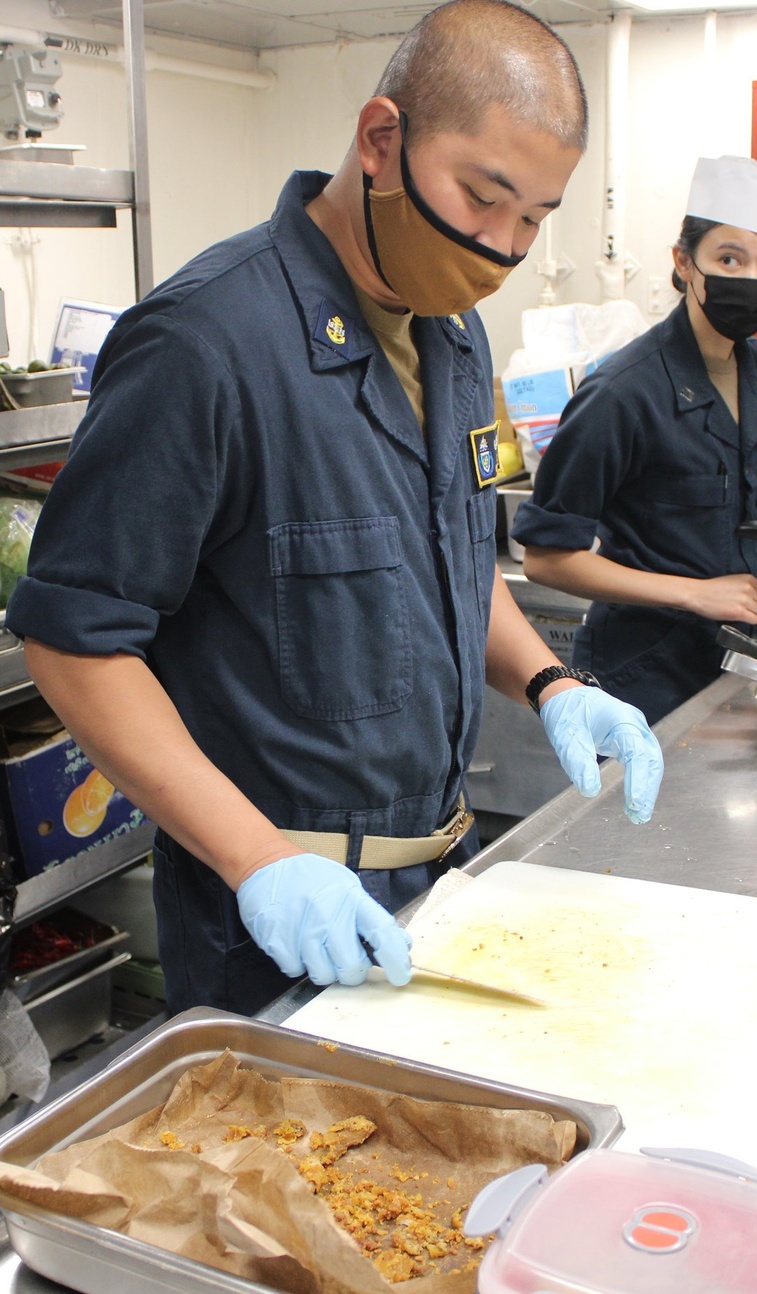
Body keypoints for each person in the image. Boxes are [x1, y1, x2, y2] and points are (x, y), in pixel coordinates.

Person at [5, 0, 663, 1018]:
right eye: (484, 197)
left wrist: (547, 681)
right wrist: (261, 860)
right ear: (381, 142)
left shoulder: (451, 338)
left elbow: (445, 558)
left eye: (534, 218)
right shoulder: (205, 345)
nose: (502, 247)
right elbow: (74, 641)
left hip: (440, 881)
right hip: (273, 915)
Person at [512, 155, 757, 727]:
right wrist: (694, 593)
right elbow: (545, 559)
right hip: (640, 670)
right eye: (730, 258)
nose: (752, 279)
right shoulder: (622, 394)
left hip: (729, 654)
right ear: (684, 262)